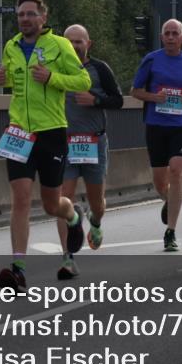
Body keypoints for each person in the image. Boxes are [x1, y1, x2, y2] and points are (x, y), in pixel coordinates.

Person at [0, 0, 92, 291]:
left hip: (51, 132)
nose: (25, 19)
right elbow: (13, 81)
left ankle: (73, 215)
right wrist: (2, 78)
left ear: (43, 17)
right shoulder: (11, 47)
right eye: (21, 14)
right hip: (18, 132)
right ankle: (19, 270)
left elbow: (83, 82)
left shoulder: (59, 45)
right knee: (20, 199)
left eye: (30, 14)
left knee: (51, 205)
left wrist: (52, 78)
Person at [55, 24, 123, 279]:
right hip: (65, 142)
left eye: (78, 42)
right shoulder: (56, 70)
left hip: (94, 142)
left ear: (88, 44)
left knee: (97, 202)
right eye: (68, 42)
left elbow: (117, 99)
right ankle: (67, 258)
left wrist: (95, 100)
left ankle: (94, 222)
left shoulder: (99, 69)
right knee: (64, 198)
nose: (73, 46)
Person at [130, 19, 182, 252]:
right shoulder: (152, 59)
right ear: (161, 36)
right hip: (156, 125)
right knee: (159, 182)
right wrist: (155, 98)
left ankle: (171, 231)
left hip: (181, 124)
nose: (171, 37)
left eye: (175, 33)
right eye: (167, 33)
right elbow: (135, 91)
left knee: (177, 171)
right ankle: (168, 199)